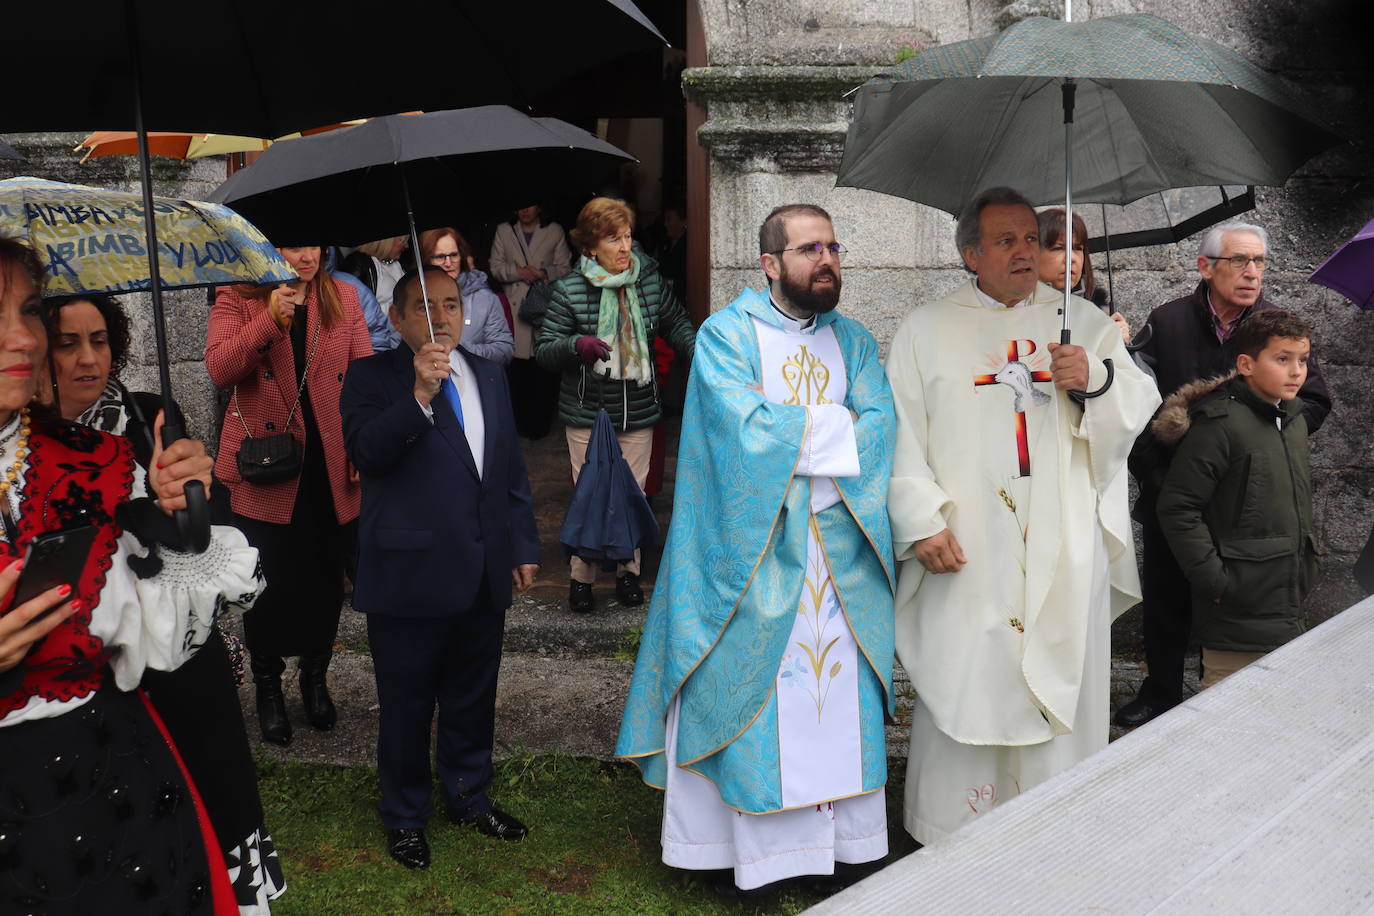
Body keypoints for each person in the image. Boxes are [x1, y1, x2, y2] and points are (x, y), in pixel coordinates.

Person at [617, 204, 896, 893]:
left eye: (832, 246)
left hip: (839, 561)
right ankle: (749, 859)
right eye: (808, 250)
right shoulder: (726, 337)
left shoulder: (854, 340)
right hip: (752, 556)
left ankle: (844, 851)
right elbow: (742, 431)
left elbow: (880, 428)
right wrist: (832, 432)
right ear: (771, 264)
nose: (826, 259)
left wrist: (805, 439)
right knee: (755, 697)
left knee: (834, 704)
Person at [886, 186, 1159, 844]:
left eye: (1030, 239)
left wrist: (1092, 378)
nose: (1023, 252)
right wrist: (920, 518)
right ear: (971, 255)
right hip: (967, 542)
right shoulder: (925, 330)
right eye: (1005, 241)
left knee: (1056, 664)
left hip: (1060, 539)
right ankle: (951, 829)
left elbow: (1136, 407)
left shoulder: (1081, 324)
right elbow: (899, 431)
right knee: (968, 667)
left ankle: (1054, 830)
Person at [0, 237, 264, 914]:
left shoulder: (99, 458)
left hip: (119, 791)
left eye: (28, 310)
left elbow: (156, 616)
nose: (17, 336)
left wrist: (185, 512)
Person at [341, 268, 540, 870]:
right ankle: (404, 815)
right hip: (409, 575)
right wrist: (420, 396)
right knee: (406, 703)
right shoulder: (372, 376)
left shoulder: (487, 375)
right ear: (397, 318)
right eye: (425, 307)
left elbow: (507, 470)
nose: (441, 317)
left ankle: (468, 794)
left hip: (482, 568)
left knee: (472, 695)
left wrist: (523, 543)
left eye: (451, 304)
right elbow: (365, 453)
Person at [1115, 221, 1331, 728]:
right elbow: (1135, 404)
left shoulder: (1275, 328)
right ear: (1206, 267)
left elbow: (1315, 399)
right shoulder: (1168, 322)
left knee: (1239, 596)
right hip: (1177, 488)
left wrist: (1268, 441)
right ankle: (1161, 689)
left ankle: (1236, 689)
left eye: (1259, 262)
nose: (1252, 272)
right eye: (1239, 261)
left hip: (1246, 498)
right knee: (1167, 593)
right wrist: (1157, 471)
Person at [206, 245, 373, 747]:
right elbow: (220, 368)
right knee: (269, 585)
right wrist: (269, 321)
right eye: (293, 245)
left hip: (329, 466)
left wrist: (361, 441)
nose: (306, 256)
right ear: (266, 248)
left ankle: (315, 678)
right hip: (266, 466)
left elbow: (363, 374)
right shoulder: (237, 299)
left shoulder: (342, 296)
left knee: (325, 580)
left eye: (314, 245)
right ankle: (268, 688)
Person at [535, 197, 696, 613]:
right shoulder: (569, 290)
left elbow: (676, 322)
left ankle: (628, 574)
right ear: (591, 247)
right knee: (590, 496)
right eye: (613, 239)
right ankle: (581, 579)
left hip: (639, 409)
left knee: (633, 497)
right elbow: (545, 350)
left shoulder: (649, 281)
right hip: (588, 412)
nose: (625, 247)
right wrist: (577, 345)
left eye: (627, 236)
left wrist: (700, 351)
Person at [1154, 309, 1316, 690]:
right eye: (1282, 359)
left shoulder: (1295, 421)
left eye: (1303, 360)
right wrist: (1216, 580)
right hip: (1234, 613)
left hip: (1285, 605)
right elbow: (1178, 507)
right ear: (1245, 363)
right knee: (1227, 720)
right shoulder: (1219, 424)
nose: (1296, 371)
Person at [489, 203, 572, 439]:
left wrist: (544, 274)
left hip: (543, 306)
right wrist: (518, 272)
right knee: (517, 368)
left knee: (543, 367)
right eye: (519, 205)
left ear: (540, 207)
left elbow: (565, 267)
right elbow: (495, 266)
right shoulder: (504, 231)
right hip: (515, 307)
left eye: (530, 204)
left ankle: (540, 424)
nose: (524, 210)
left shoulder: (554, 230)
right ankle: (519, 423)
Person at [419, 226, 514, 365]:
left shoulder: (485, 299)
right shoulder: (413, 298)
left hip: (472, 380)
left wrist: (459, 350)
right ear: (427, 259)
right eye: (440, 257)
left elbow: (504, 351)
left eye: (453, 255)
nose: (448, 263)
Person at [1036, 207, 1130, 344]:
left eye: (1078, 248)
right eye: (1058, 248)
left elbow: (1135, 366)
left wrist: (1121, 346)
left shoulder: (1099, 315)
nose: (1071, 258)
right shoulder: (1014, 313)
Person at [342, 235, 408, 352]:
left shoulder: (399, 265)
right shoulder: (360, 263)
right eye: (401, 241)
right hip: (378, 340)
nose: (406, 246)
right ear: (386, 242)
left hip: (402, 338)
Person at [330, 245, 399, 352]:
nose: (308, 257)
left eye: (314, 248)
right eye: (296, 249)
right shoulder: (356, 267)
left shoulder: (350, 288)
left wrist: (367, 366)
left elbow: (375, 334)